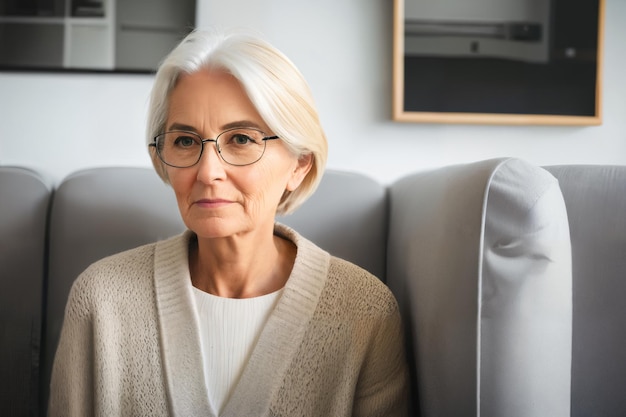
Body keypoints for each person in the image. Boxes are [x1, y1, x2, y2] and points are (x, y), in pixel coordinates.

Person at [48, 28, 408, 416]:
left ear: (299, 165)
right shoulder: (101, 300)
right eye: (185, 141)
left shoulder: (365, 310)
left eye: (240, 139)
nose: (207, 172)